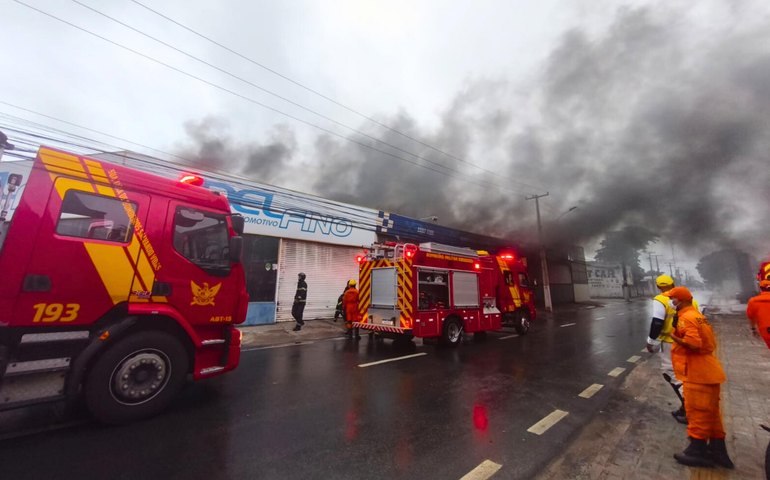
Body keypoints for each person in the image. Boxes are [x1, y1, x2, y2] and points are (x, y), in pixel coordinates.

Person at [665, 286, 733, 469]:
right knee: (711, 415)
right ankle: (718, 452)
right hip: (708, 370)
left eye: (673, 299)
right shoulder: (697, 316)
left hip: (698, 373)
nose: (672, 302)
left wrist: (674, 337)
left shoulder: (686, 319)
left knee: (697, 413)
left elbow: (693, 344)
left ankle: (698, 451)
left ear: (681, 300)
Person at [646, 274, 699, 423]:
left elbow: (657, 322)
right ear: (673, 284)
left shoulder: (660, 300)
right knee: (687, 375)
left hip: (671, 343)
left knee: (671, 374)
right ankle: (687, 407)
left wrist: (651, 341)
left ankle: (691, 409)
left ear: (658, 287)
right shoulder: (689, 299)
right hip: (689, 342)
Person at [747, 279, 770, 349]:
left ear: (760, 289)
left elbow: (751, 317)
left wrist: (753, 329)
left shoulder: (753, 301)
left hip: (766, 330)